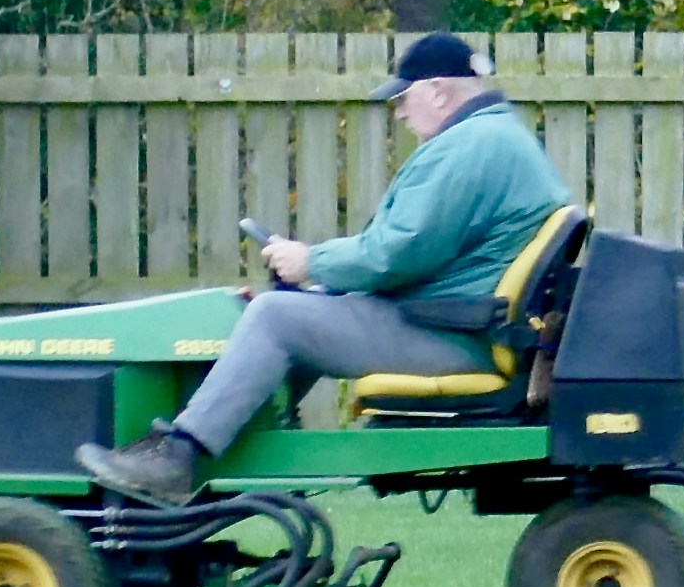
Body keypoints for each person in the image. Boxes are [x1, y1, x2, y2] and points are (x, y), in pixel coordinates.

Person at [77, 30, 575, 502]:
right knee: (299, 310)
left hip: (453, 337)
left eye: (403, 98)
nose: (398, 112)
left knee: (277, 317)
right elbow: (414, 257)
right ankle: (224, 436)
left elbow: (391, 256)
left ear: (439, 92)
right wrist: (321, 284)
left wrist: (310, 261)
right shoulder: (499, 138)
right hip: (462, 326)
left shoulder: (468, 148)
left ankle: (179, 459)